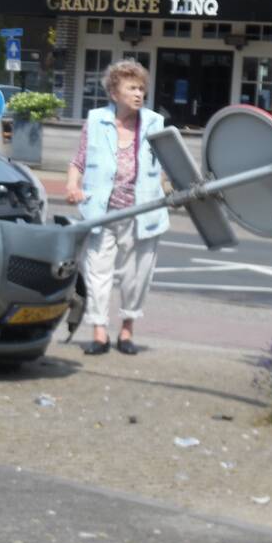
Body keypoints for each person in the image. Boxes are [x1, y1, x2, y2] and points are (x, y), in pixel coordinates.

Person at [65, 60, 168, 356]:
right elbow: (78, 161)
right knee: (97, 272)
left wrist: (166, 186)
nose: (138, 94)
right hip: (102, 211)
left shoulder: (154, 123)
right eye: (131, 88)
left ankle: (127, 330)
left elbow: (168, 163)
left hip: (142, 214)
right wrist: (73, 187)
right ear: (114, 92)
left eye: (141, 88)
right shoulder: (96, 120)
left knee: (137, 276)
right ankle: (99, 332)